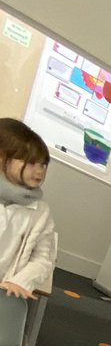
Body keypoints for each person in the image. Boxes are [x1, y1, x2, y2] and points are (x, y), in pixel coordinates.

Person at [0, 118, 56, 301]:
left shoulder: (40, 212)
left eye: (43, 164)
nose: (39, 171)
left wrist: (21, 281)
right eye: (31, 163)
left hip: (4, 291)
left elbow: (43, 258)